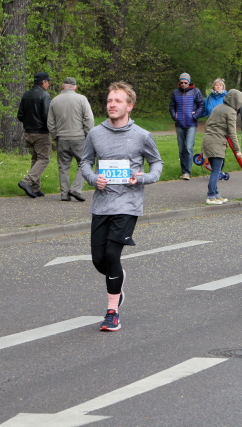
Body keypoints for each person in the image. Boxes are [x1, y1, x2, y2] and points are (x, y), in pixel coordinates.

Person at [80, 81, 163, 331]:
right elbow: (85, 163)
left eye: (118, 101)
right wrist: (94, 178)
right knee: (99, 260)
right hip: (102, 204)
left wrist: (143, 177)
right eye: (109, 100)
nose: (112, 105)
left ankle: (112, 312)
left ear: (129, 106)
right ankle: (117, 281)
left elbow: (157, 163)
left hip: (128, 204)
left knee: (112, 255)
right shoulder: (95, 134)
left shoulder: (141, 135)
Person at [47, 77, 95, 202]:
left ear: (63, 86)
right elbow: (89, 119)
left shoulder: (55, 101)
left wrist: (55, 136)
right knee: (85, 163)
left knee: (63, 166)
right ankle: (76, 189)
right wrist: (88, 134)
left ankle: (64, 194)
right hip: (79, 137)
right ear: (75, 87)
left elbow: (50, 122)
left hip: (62, 138)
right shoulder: (82, 99)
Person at [201, 89, 242, 204]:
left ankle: (216, 194)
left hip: (208, 140)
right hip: (217, 142)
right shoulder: (231, 112)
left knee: (216, 169)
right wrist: (237, 150)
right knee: (216, 171)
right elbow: (232, 132)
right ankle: (211, 196)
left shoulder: (218, 107)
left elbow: (207, 124)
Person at [17, 72, 52, 198]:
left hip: (28, 132)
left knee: (35, 159)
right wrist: (51, 128)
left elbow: (20, 115)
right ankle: (27, 181)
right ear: (43, 82)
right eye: (47, 82)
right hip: (40, 132)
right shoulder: (44, 95)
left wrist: (28, 123)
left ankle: (35, 188)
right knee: (44, 158)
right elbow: (47, 115)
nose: (48, 84)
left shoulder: (26, 94)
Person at [169, 72, 204, 180]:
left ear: (189, 82)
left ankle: (187, 172)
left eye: (185, 82)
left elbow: (201, 105)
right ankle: (183, 170)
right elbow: (171, 106)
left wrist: (195, 116)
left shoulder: (196, 91)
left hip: (191, 124)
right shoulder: (175, 93)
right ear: (179, 83)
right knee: (181, 149)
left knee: (188, 147)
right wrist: (174, 116)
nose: (183, 84)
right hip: (179, 124)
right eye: (182, 82)